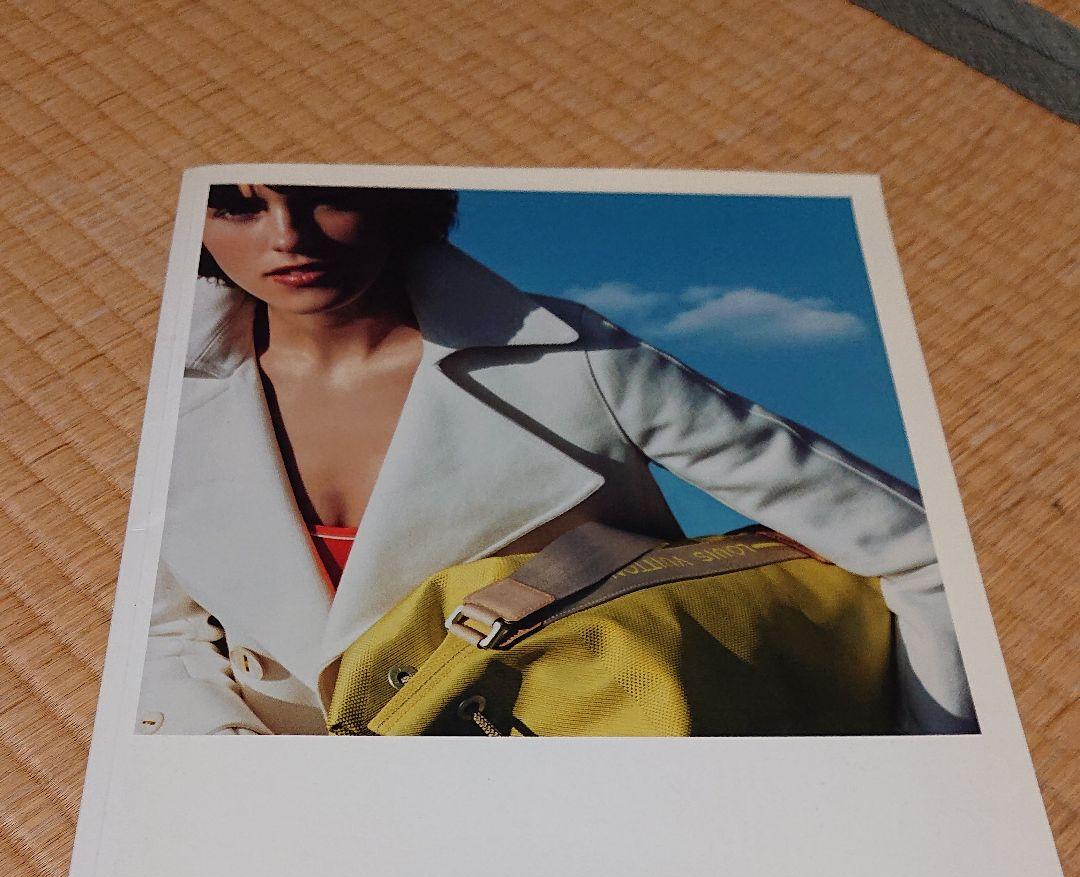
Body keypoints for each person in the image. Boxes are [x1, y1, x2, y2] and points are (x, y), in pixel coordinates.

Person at [137, 183, 976, 736]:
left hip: (579, 810)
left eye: (329, 196)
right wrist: (224, 767)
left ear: (397, 197)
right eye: (236, 206)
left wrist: (926, 759)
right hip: (281, 825)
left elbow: (924, 548)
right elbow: (162, 629)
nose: (288, 236)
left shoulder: (572, 360)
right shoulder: (160, 393)